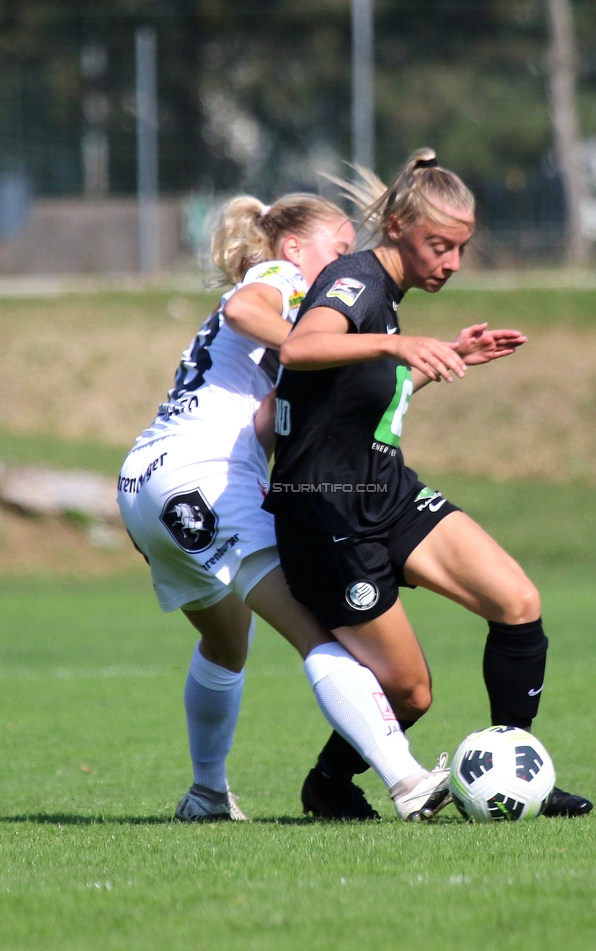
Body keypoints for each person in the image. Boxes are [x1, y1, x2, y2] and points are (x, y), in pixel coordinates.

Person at [118, 191, 503, 824]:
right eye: (338, 250)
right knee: (317, 633)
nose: (343, 266)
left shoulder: (298, 319)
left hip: (146, 483)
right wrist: (312, 339)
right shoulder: (283, 275)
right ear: (294, 246)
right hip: (201, 477)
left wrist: (433, 361)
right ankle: (408, 781)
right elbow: (246, 305)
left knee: (226, 643)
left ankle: (207, 795)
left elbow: (273, 418)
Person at [263, 148, 593, 820]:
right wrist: (396, 347)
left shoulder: (390, 296)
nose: (451, 263)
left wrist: (446, 356)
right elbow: (302, 347)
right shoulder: (354, 281)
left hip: (387, 492)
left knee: (518, 601)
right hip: (327, 514)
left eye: (460, 249)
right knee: (410, 694)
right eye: (438, 246)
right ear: (396, 229)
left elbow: (353, 393)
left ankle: (515, 767)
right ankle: (328, 784)